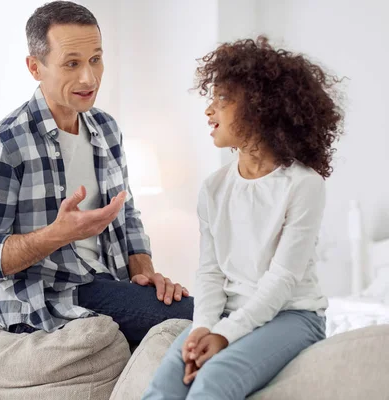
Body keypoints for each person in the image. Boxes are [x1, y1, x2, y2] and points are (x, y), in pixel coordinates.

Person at [0, 1, 193, 345]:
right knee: (206, 323)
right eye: (72, 64)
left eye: (95, 60)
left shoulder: (106, 128)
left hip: (109, 286)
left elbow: (126, 216)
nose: (89, 78)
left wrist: (146, 276)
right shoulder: (5, 145)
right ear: (35, 67)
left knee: (219, 315)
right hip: (47, 301)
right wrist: (56, 234)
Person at [143, 36, 344, 399]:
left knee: (215, 377)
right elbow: (210, 272)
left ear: (260, 108)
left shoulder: (303, 185)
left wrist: (224, 336)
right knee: (164, 384)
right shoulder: (214, 188)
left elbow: (282, 279)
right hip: (224, 314)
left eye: (222, 99)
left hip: (293, 316)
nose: (209, 111)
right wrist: (202, 329)